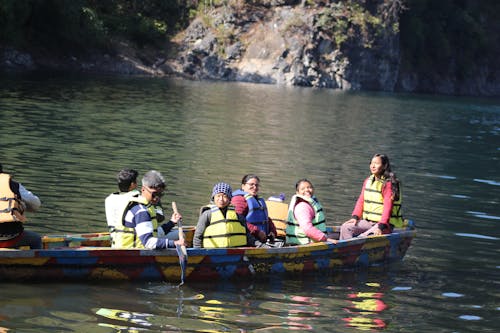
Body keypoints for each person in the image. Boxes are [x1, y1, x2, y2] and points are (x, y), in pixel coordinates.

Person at [112, 170, 185, 249]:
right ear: (143, 189)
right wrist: (175, 243)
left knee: (180, 235)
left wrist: (171, 223)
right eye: (154, 194)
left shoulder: (145, 207)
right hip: (133, 252)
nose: (157, 198)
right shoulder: (141, 211)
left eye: (160, 194)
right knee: (180, 237)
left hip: (134, 247)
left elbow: (155, 233)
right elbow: (148, 242)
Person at [339, 154, 404, 240]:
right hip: (368, 222)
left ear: (384, 166)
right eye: (371, 163)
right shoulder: (367, 181)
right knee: (345, 227)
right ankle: (346, 251)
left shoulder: (388, 184)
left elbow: (388, 207)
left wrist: (381, 226)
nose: (373, 166)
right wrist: (355, 217)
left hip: (384, 225)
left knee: (362, 238)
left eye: (376, 163)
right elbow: (361, 200)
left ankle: (353, 250)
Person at [193, 182, 257, 248]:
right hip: (212, 254)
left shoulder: (238, 216)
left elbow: (249, 237)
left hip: (235, 253)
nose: (221, 199)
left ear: (229, 199)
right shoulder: (207, 215)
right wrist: (199, 253)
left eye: (224, 196)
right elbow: (198, 237)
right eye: (218, 196)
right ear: (213, 198)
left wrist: (261, 245)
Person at [0, 163, 42, 249]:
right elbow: (36, 204)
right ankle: (34, 260)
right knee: (36, 239)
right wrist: (20, 206)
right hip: (10, 238)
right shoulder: (14, 186)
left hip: (8, 239)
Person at [286, 178, 337, 245]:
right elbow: (307, 228)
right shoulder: (302, 206)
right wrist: (325, 239)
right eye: (303, 189)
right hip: (303, 243)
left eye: (309, 187)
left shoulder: (310, 203)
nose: (307, 190)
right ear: (297, 192)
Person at [231, 174, 277, 243]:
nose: (254, 187)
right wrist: (257, 232)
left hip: (261, 238)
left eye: (256, 185)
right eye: (251, 184)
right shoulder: (239, 199)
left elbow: (266, 218)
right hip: (247, 239)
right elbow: (238, 219)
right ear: (243, 186)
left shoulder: (257, 200)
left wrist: (272, 231)